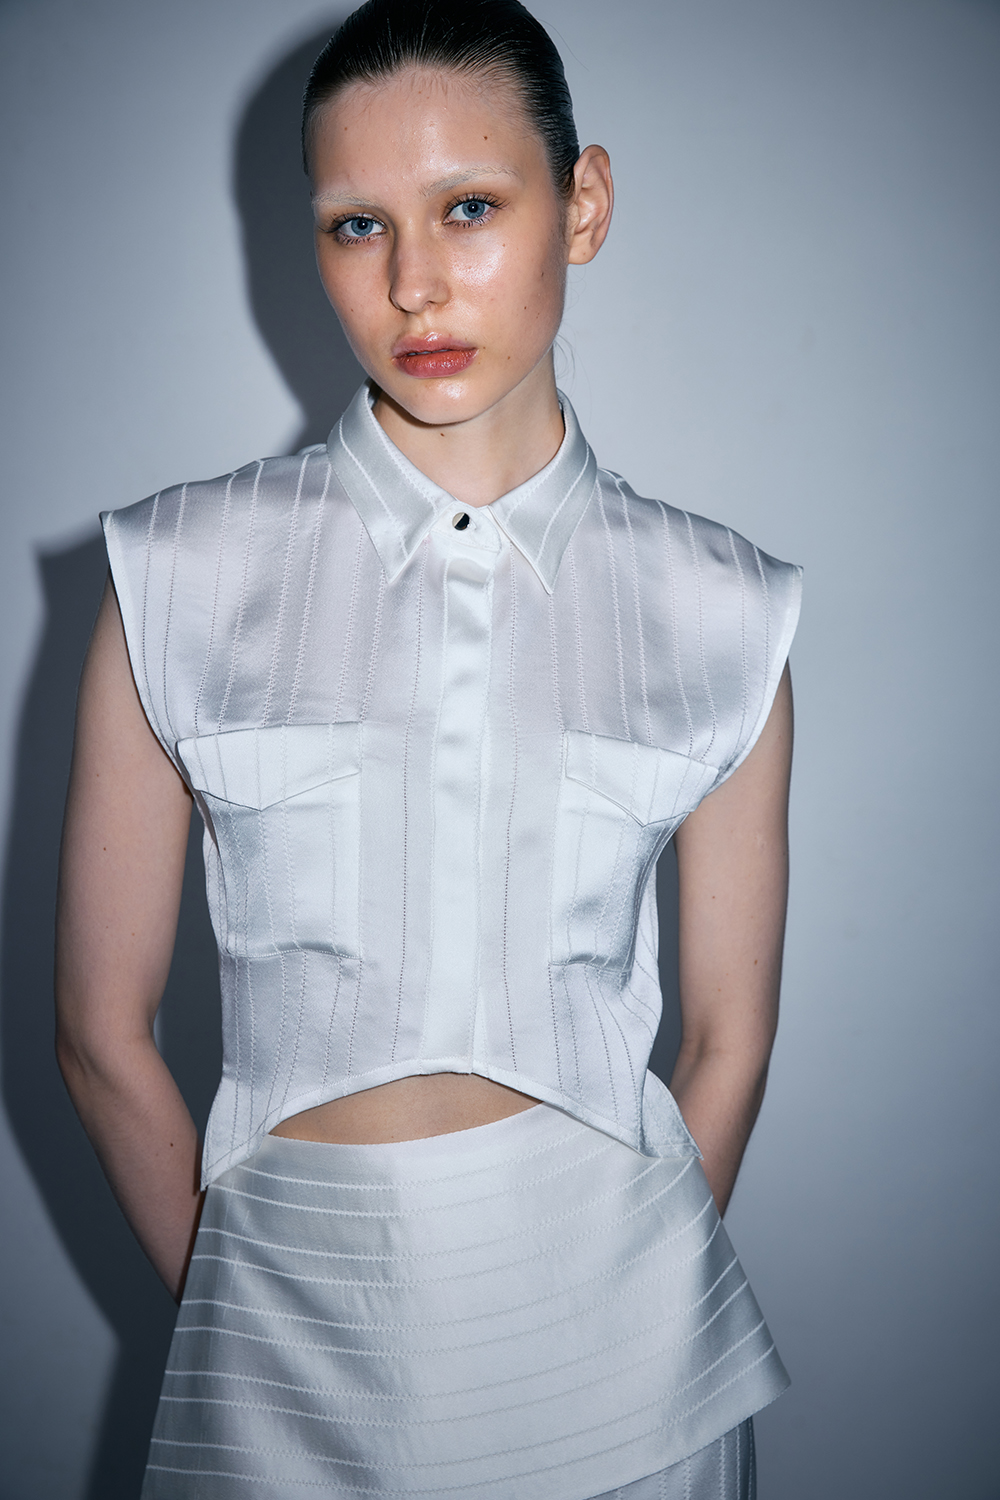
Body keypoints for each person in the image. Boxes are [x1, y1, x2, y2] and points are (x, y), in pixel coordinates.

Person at [55, 1, 801, 1495]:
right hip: (280, 1364)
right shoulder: (176, 575)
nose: (413, 283)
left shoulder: (724, 607)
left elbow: (730, 1040)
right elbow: (98, 1035)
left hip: (635, 1376)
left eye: (469, 207)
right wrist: (245, 1313)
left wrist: (634, 1306)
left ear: (581, 205)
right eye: (357, 225)